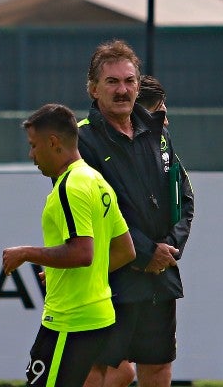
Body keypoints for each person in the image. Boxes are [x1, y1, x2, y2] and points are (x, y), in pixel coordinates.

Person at [77, 40, 194, 387]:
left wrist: (169, 250)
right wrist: (145, 252)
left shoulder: (158, 134)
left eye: (129, 81)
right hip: (112, 279)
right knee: (97, 370)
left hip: (160, 277)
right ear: (93, 89)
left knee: (158, 367)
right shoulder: (83, 141)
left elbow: (183, 197)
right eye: (112, 82)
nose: (122, 89)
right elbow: (96, 210)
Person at [2, 103, 136, 387]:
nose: (32, 155)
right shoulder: (96, 180)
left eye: (34, 145)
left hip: (70, 321)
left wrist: (26, 253)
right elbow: (126, 251)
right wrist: (58, 271)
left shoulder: (69, 186)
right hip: (99, 315)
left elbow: (81, 252)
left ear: (53, 142)